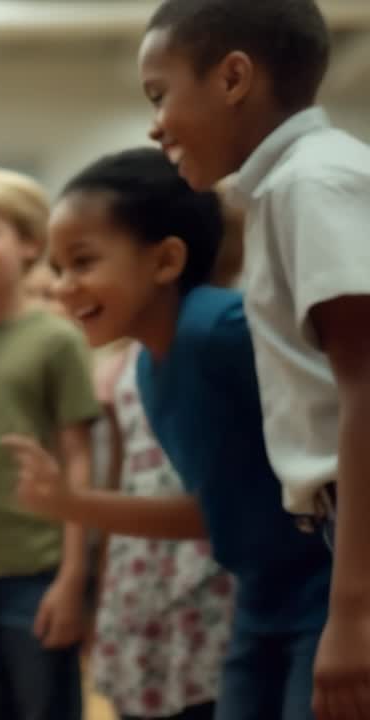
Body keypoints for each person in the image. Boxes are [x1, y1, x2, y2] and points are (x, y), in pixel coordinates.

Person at [6, 147, 332, 720]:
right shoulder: (149, 371)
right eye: (57, 269)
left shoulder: (221, 329)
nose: (62, 288)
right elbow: (212, 512)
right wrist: (69, 502)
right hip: (263, 601)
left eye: (82, 262)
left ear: (165, 261)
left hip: (327, 596)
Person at [138, 3, 370, 714]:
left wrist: (353, 614)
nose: (155, 124)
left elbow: (366, 389)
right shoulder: (283, 188)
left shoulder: (313, 183)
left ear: (233, 76)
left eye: (159, 93)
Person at [0, 168, 98, 720]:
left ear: (30, 242)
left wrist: (74, 578)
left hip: (39, 571)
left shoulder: (57, 339)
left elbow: (80, 458)